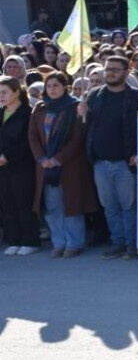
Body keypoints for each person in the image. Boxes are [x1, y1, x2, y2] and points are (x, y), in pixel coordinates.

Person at [80, 56, 138, 260]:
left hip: (126, 163)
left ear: (126, 72)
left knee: (128, 206)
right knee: (109, 207)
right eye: (108, 69)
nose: (110, 73)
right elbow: (88, 126)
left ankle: (131, 245)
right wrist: (82, 113)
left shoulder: (137, 97)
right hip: (100, 162)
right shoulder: (94, 95)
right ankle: (117, 242)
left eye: (115, 69)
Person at [28, 71, 97, 258]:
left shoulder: (75, 107)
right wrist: (42, 159)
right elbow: (33, 136)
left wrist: (58, 159)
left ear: (64, 87)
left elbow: (78, 138)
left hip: (69, 166)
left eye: (56, 85)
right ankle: (58, 242)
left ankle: (74, 243)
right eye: (49, 86)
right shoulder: (40, 109)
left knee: (71, 205)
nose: (52, 89)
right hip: (45, 167)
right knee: (52, 207)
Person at [0, 76, 39, 256]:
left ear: (16, 92)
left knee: (23, 202)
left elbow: (28, 142)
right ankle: (14, 240)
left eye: (4, 92)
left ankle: (30, 241)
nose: (1, 96)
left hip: (22, 166)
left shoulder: (27, 113)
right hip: (3, 168)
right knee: (7, 203)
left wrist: (8, 157)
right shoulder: (1, 113)